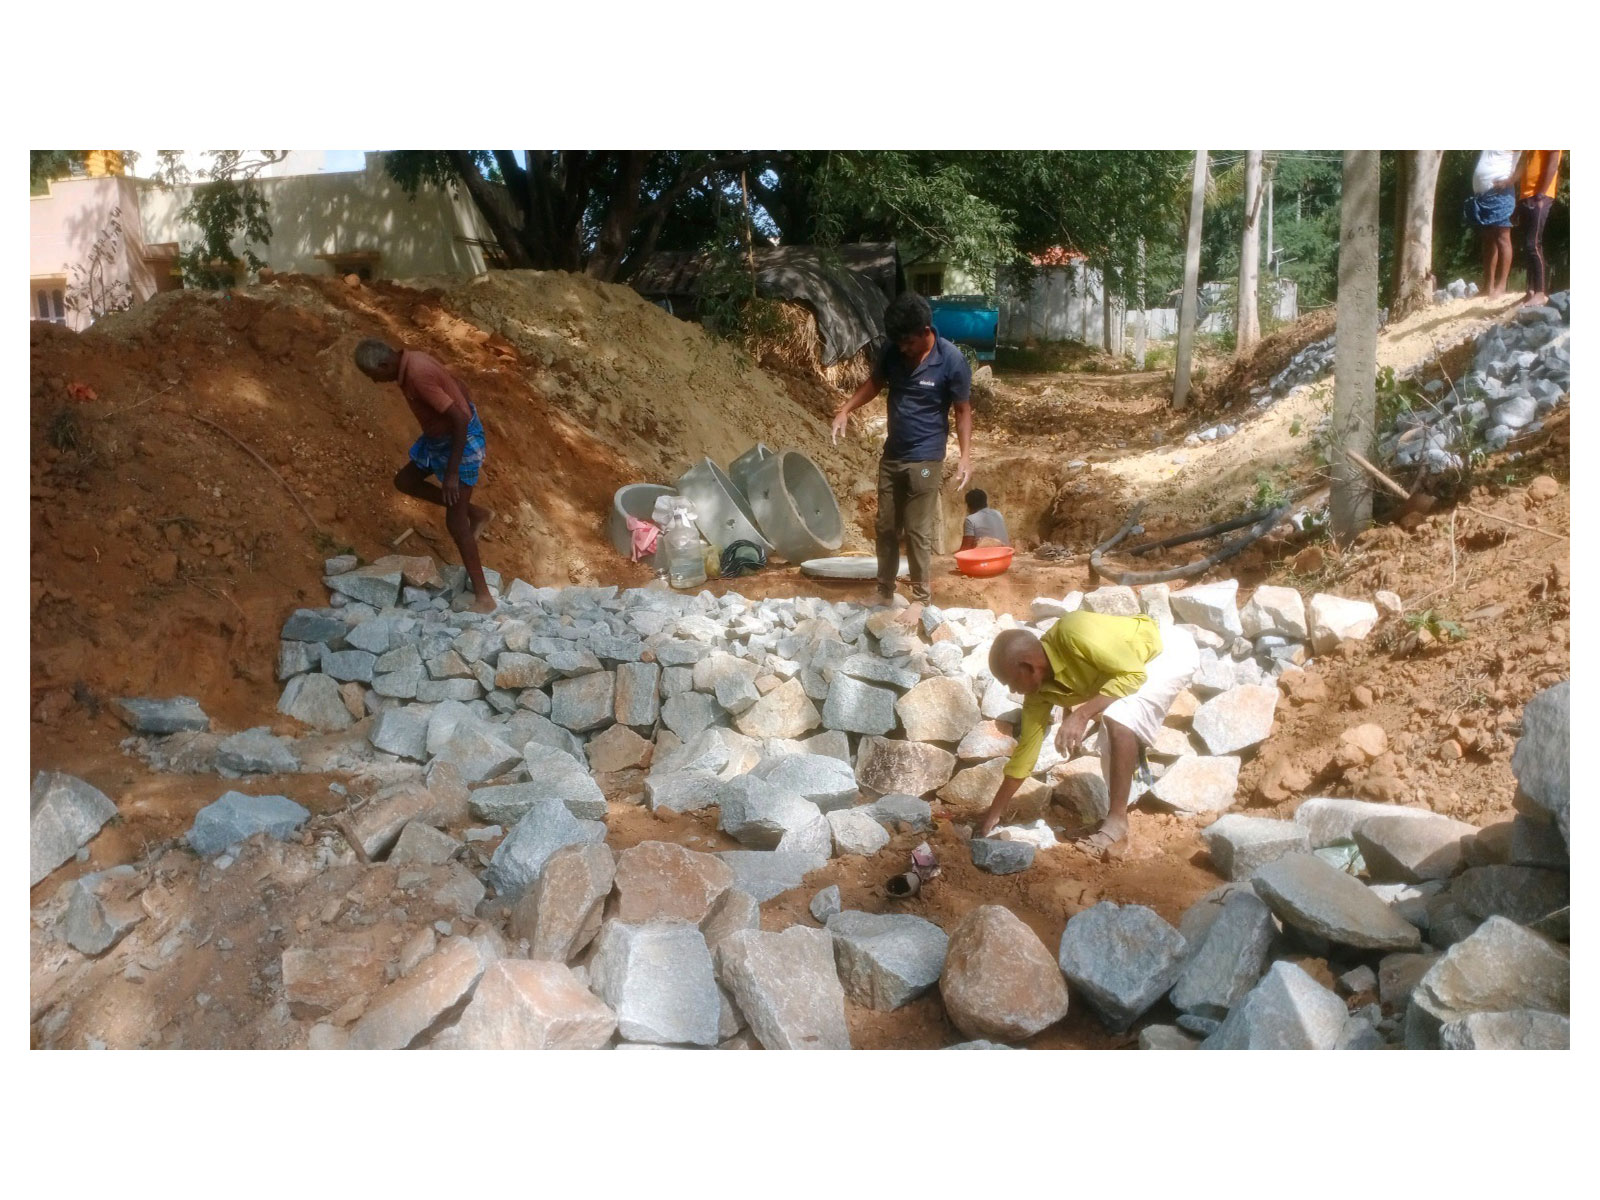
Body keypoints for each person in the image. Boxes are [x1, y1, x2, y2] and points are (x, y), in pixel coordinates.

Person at [976, 611, 1198, 860]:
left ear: (1029, 666)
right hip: (1134, 668)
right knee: (1111, 732)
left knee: (1119, 717)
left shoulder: (1073, 631)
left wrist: (1081, 715)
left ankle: (1116, 823)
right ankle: (1115, 816)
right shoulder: (1038, 695)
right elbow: (1026, 753)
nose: (1013, 690)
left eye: (1011, 681)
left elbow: (1133, 674)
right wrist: (994, 813)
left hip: (1165, 651)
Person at [831, 293, 972, 620]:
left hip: (926, 458)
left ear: (926, 331)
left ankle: (922, 597)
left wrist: (965, 456)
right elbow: (875, 383)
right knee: (885, 526)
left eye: (907, 342)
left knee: (918, 528)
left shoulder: (951, 360)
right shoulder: (892, 352)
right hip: (892, 455)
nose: (903, 348)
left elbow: (963, 410)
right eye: (898, 342)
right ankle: (884, 592)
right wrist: (846, 410)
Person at [354, 338, 496, 614]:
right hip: (438, 441)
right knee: (405, 481)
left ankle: (484, 598)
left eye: (373, 376)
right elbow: (456, 383)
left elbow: (460, 420)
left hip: (460, 443)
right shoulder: (413, 361)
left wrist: (452, 473)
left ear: (384, 364)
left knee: (456, 522)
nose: (374, 382)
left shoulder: (418, 375)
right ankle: (477, 513)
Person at [1464, 151, 1520, 298]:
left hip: (1500, 192)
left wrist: (1511, 180)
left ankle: (1501, 286)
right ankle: (1488, 286)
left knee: (1502, 237)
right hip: (1483, 195)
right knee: (1488, 238)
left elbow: (1527, 160)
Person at [1517, 151, 1563, 306]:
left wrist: (1541, 194)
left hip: (1540, 195)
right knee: (1526, 245)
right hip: (1526, 195)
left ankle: (1540, 292)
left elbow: (1553, 163)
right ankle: (1530, 291)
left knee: (1533, 243)